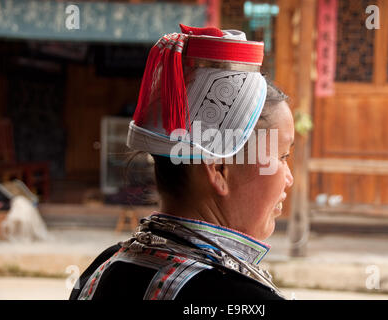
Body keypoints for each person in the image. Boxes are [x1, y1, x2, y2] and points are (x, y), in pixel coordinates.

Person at [70, 24, 294, 300]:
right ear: (220, 169)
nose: (288, 177)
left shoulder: (101, 270)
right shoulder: (240, 298)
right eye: (282, 157)